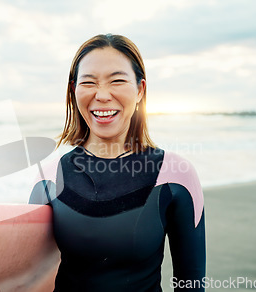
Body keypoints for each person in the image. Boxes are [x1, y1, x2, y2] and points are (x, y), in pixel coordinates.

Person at [29, 34, 206, 291]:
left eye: (117, 81)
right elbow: (30, 276)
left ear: (140, 90)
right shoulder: (49, 175)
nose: (102, 95)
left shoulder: (175, 175)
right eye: (89, 82)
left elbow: (191, 284)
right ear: (73, 90)